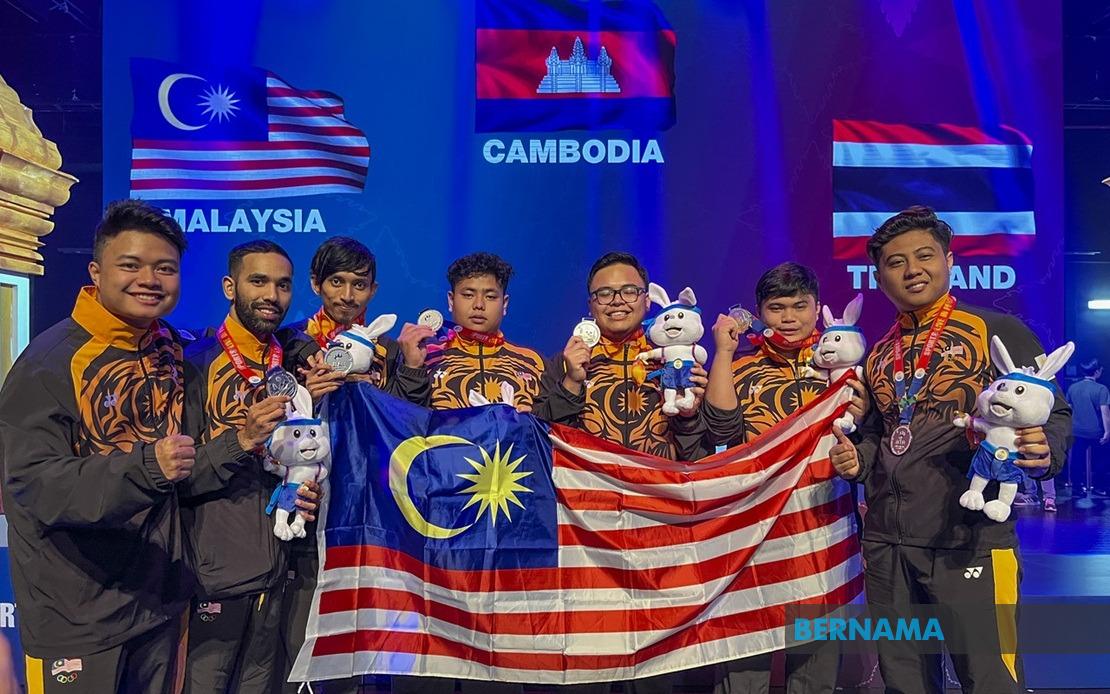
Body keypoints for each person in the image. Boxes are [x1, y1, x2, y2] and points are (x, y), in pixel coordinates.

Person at [829, 206, 1071, 693]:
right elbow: (877, 433)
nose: (912, 270)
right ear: (878, 276)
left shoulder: (995, 330)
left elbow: (1055, 412)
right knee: (905, 681)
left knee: (989, 679)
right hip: (888, 545)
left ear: (949, 260)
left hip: (970, 539)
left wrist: (1047, 450)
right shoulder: (879, 352)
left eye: (925, 256)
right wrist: (859, 460)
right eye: (896, 262)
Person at [0, 200, 201, 692]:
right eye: (130, 265)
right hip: (80, 615)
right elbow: (35, 486)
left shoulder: (168, 347)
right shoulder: (48, 364)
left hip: (156, 600)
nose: (149, 280)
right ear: (96, 272)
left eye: (165, 268)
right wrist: (147, 467)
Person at [536, 251, 712, 694]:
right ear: (590, 304)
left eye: (629, 291)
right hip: (587, 532)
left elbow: (701, 451)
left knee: (659, 669)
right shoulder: (563, 361)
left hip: (660, 527)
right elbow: (541, 441)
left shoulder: (678, 359)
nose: (617, 301)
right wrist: (571, 383)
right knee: (590, 660)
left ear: (647, 299)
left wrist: (692, 413)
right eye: (605, 294)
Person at [274, 237, 430, 694]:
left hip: (374, 512)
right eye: (336, 282)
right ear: (315, 284)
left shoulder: (389, 351)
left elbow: (407, 428)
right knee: (308, 643)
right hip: (309, 511)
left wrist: (411, 372)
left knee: (375, 646)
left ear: (373, 290)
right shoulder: (290, 343)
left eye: (359, 285)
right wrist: (310, 396)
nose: (347, 295)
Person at [703, 262, 862, 694]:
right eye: (776, 308)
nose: (789, 318)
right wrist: (723, 353)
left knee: (814, 671)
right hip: (754, 534)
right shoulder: (742, 368)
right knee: (743, 670)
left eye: (799, 306)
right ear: (759, 312)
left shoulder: (843, 367)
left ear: (817, 307)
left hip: (824, 531)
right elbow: (720, 430)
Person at [390, 252, 543, 694]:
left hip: (507, 533)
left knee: (500, 667)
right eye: (468, 294)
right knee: (430, 665)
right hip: (436, 530)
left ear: (505, 304)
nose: (478, 305)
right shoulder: (424, 355)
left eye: (489, 296)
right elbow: (397, 429)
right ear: (450, 301)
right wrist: (411, 370)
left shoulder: (531, 363)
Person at [179, 240, 320, 693]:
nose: (271, 295)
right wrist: (242, 440)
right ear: (229, 287)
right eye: (258, 281)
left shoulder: (294, 366)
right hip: (213, 575)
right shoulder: (193, 365)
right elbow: (177, 476)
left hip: (278, 571)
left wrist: (305, 488)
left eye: (282, 285)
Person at [1065, 358, 1110, 497]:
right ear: (1096, 372)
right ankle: (1099, 487)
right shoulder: (1101, 389)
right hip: (1095, 432)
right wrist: (1107, 431)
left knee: (1077, 459)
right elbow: (1105, 413)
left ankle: (1077, 487)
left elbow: (1069, 410)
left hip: (1076, 431)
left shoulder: (1073, 388)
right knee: (1102, 458)